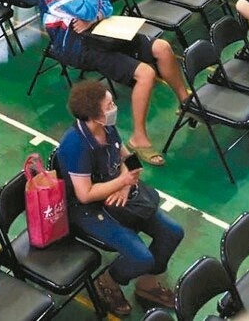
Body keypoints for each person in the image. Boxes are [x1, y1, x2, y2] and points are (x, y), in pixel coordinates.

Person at [44, 0, 189, 166]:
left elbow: (106, 6)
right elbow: (88, 10)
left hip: (99, 31)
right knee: (146, 73)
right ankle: (139, 138)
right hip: (77, 45)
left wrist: (92, 17)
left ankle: (186, 102)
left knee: (162, 47)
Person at [56, 81, 182, 316]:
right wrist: (122, 182)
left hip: (119, 195)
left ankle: (146, 285)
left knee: (172, 232)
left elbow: (128, 158)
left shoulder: (107, 128)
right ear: (94, 116)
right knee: (141, 257)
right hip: (89, 210)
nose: (114, 107)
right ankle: (107, 282)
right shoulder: (75, 145)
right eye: (109, 105)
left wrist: (125, 186)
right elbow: (85, 195)